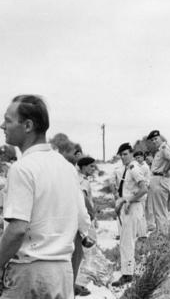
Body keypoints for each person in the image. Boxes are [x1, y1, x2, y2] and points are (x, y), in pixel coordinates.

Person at [0, 94, 91, 298]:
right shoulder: (67, 168)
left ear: (28, 126)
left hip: (29, 273)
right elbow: (83, 220)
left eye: (7, 120)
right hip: (62, 273)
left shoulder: (22, 169)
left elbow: (17, 230)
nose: (2, 126)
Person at [111, 142, 148, 287]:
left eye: (126, 154)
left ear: (131, 154)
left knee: (127, 242)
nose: (123, 157)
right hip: (129, 207)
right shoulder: (127, 168)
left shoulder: (133, 168)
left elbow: (144, 189)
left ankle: (127, 275)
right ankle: (128, 271)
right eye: (121, 155)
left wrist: (128, 201)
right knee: (126, 241)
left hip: (132, 207)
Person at [72, 157, 98, 297]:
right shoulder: (80, 181)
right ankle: (79, 284)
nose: (93, 169)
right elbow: (83, 200)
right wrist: (92, 215)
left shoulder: (84, 179)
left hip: (87, 218)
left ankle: (79, 282)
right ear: (83, 167)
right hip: (85, 219)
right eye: (90, 167)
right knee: (85, 252)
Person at [146, 130, 170, 231]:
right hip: (156, 180)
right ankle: (162, 234)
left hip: (160, 180)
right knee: (159, 210)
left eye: (156, 139)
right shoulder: (160, 150)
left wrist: (165, 170)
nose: (154, 141)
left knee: (160, 211)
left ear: (160, 138)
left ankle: (163, 235)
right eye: (152, 140)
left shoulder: (164, 148)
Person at [133, 150, 151, 237]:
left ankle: (142, 232)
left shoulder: (144, 167)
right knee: (139, 211)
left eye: (139, 157)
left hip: (143, 190)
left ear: (143, 157)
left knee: (141, 212)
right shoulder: (138, 166)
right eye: (136, 158)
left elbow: (142, 181)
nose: (137, 159)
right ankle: (140, 231)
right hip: (140, 190)